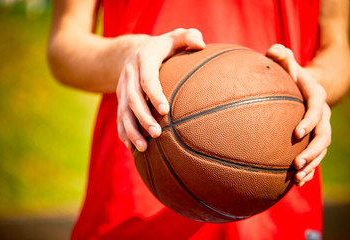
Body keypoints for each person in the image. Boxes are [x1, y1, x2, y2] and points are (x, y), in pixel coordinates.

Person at [48, 0, 349, 239]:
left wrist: (313, 83)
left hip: (277, 182)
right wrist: (130, 53)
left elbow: (337, 46)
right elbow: (65, 43)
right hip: (139, 181)